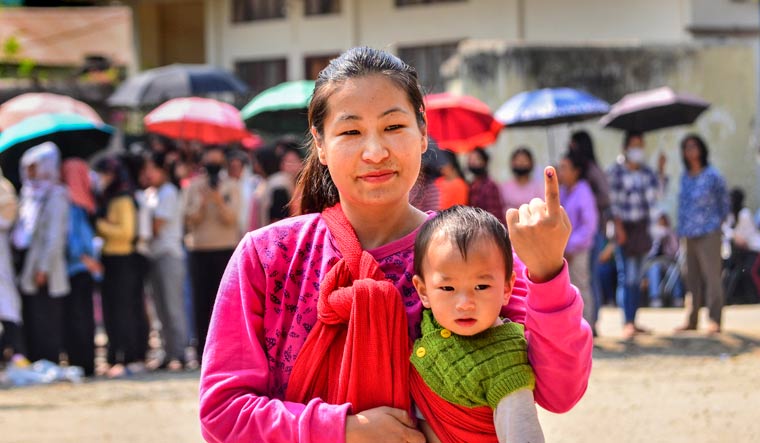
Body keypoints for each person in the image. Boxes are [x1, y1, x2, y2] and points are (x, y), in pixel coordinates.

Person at [199, 47, 592, 443]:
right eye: (351, 132)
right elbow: (222, 413)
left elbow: (559, 393)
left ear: (423, 133)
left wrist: (547, 274)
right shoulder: (269, 256)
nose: (375, 152)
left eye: (393, 127)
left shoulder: (476, 251)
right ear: (319, 143)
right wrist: (344, 430)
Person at [410, 205, 544, 443]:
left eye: (481, 287)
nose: (464, 304)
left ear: (507, 288)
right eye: (447, 288)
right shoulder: (428, 320)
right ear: (423, 292)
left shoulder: (505, 363)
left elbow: (522, 435)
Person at [12, 142, 70, 365]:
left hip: (44, 266)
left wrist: (44, 267)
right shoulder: (27, 195)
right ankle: (34, 359)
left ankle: (49, 359)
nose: (30, 171)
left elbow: (54, 236)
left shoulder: (56, 195)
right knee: (31, 314)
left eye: (34, 166)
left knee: (46, 315)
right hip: (25, 263)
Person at [183, 147, 241, 362]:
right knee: (200, 301)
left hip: (225, 248)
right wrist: (202, 203)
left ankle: (226, 351)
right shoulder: (193, 187)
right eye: (209, 159)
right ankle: (201, 351)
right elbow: (189, 218)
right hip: (199, 249)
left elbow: (232, 218)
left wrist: (218, 201)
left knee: (226, 303)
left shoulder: (231, 186)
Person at [94, 156, 149, 377]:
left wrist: (99, 225)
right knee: (112, 310)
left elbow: (126, 233)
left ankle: (129, 356)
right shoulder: (108, 198)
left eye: (104, 174)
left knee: (125, 310)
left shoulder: (123, 199)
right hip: (110, 259)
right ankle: (115, 354)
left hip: (124, 259)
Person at [607, 131, 663, 339]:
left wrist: (662, 170)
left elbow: (657, 196)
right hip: (624, 230)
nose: (637, 149)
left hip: (643, 230)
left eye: (640, 145)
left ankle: (633, 319)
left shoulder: (648, 172)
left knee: (638, 277)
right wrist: (619, 228)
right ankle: (627, 321)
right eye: (634, 145)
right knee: (627, 277)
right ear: (625, 148)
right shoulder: (615, 172)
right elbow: (612, 204)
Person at [676, 134, 728, 334]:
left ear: (701, 149)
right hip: (688, 233)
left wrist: (717, 226)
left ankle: (715, 319)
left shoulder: (713, 175)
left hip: (709, 233)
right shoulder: (685, 177)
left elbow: (724, 203)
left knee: (712, 277)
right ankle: (692, 319)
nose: (690, 151)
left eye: (693, 146)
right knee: (691, 277)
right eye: (686, 147)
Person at [143, 151, 188, 371]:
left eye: (152, 168)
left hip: (169, 254)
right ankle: (165, 351)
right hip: (154, 255)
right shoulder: (150, 193)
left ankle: (179, 352)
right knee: (158, 309)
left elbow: (156, 226)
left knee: (172, 306)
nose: (148, 173)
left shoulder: (169, 192)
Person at [61, 158, 102, 376]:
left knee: (80, 318)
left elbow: (75, 239)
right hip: (83, 267)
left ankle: (84, 363)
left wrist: (87, 260)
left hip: (79, 267)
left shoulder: (75, 202)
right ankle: (86, 362)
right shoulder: (80, 201)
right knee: (84, 318)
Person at [568, 130, 611, 330]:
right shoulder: (570, 186)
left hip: (592, 233)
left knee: (588, 278)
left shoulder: (591, 172)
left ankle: (591, 322)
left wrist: (589, 200)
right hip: (578, 235)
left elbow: (606, 198)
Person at [558, 151, 598, 335]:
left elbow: (589, 226)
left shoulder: (583, 191)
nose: (561, 172)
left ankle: (588, 326)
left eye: (565, 168)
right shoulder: (564, 191)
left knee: (582, 287)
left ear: (576, 171)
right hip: (565, 249)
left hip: (579, 249)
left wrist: (571, 246)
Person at [0, 166, 22, 360]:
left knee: (6, 303)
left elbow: (7, 221)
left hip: (1, 255)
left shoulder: (4, 188)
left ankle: (15, 351)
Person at [645, 211, 683, 308]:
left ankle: (677, 297)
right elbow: (650, 254)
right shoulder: (652, 233)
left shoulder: (671, 233)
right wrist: (657, 240)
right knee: (654, 269)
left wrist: (668, 237)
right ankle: (655, 298)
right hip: (654, 262)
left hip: (669, 262)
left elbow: (675, 252)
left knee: (674, 270)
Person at [467, 147, 505, 222]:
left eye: (476, 159)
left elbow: (494, 214)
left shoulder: (490, 186)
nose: (473, 162)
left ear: (485, 162)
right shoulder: (471, 185)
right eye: (470, 159)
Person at [499, 147, 543, 211]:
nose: (521, 163)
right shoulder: (504, 187)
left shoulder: (538, 187)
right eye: (518, 160)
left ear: (531, 163)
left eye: (524, 160)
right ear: (512, 163)